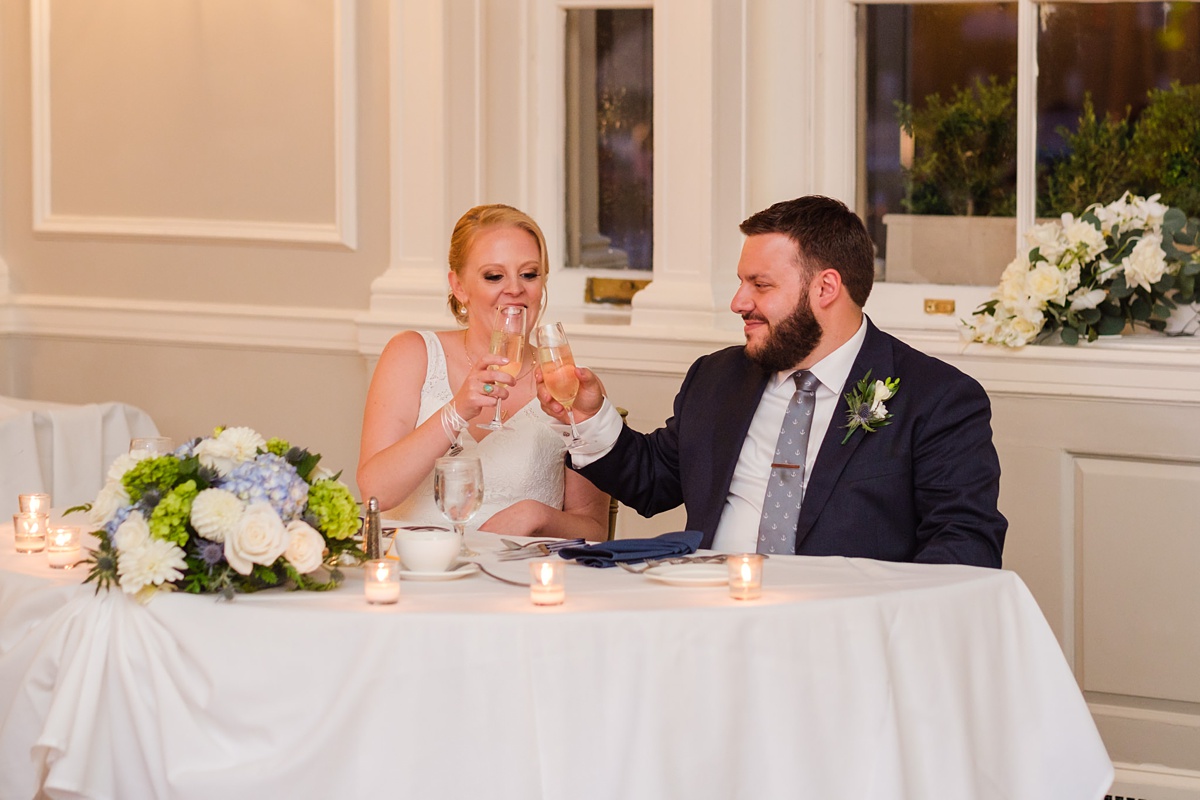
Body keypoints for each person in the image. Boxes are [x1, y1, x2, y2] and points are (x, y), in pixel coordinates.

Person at [537, 195, 1005, 567]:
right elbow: (653, 481)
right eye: (742, 283)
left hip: (845, 640)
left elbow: (963, 547)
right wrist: (587, 414)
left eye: (760, 285)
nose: (739, 302)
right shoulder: (718, 377)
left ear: (825, 288)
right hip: (710, 618)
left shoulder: (938, 398)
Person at [358, 204, 608, 541]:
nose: (515, 289)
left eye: (529, 274)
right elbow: (375, 494)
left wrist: (535, 516)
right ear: (459, 286)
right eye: (494, 276)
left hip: (517, 581)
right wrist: (456, 411)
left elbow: (594, 530)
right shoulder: (411, 354)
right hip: (410, 574)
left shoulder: (565, 383)